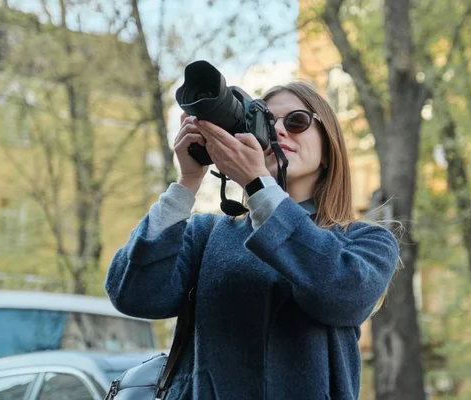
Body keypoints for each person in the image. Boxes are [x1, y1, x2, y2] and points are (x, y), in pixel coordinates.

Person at [105, 81, 399, 399]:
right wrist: (187, 182)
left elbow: (342, 295)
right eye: (266, 123)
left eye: (296, 121)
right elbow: (132, 295)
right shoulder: (206, 235)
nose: (279, 132)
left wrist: (259, 186)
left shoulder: (365, 242)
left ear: (328, 149)